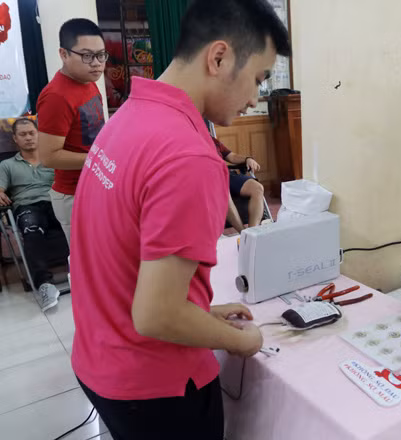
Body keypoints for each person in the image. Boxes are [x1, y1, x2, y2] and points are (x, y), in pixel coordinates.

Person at [69, 1, 291, 438]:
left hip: (100, 358)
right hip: (156, 384)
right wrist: (240, 340)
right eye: (258, 79)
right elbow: (156, 314)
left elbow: (125, 258)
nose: (254, 98)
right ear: (219, 57)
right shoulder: (189, 155)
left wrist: (201, 313)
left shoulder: (129, 115)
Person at [36, 18, 107, 245]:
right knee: (88, 261)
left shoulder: (88, 81)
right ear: (64, 54)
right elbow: (49, 157)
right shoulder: (56, 96)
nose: (96, 63)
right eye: (87, 56)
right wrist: (101, 159)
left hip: (96, 184)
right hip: (74, 194)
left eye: (101, 55)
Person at [0, 119, 62, 311]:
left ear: (38, 135)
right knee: (32, 229)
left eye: (31, 133)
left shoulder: (52, 159)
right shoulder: (7, 165)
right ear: (15, 139)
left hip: (56, 201)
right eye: (23, 134)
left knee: (82, 222)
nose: (28, 138)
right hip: (28, 206)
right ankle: (44, 284)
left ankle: (92, 272)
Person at [213, 137, 265, 231]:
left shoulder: (212, 140)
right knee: (225, 193)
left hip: (226, 174)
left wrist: (247, 159)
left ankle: (253, 232)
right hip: (210, 179)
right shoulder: (191, 141)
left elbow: (232, 156)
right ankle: (243, 233)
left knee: (257, 188)